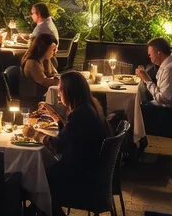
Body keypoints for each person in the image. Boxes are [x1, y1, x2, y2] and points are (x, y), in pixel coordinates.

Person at [25, 71, 110, 206]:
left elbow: (57, 146)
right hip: (91, 169)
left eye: (60, 90)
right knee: (38, 176)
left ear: (69, 91)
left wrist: (35, 135)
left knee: (33, 177)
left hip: (79, 176)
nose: (58, 93)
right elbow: (71, 134)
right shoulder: (89, 106)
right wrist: (56, 117)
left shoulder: (80, 114)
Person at [136, 37, 172, 107]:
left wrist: (147, 80)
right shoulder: (170, 62)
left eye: (150, 54)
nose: (150, 57)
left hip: (167, 111)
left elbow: (162, 98)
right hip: (168, 105)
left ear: (159, 53)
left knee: (136, 105)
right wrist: (145, 78)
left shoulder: (170, 69)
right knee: (139, 98)